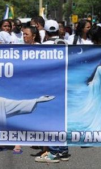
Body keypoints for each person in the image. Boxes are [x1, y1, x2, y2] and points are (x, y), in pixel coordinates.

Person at [35, 19, 69, 163]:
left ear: (46, 32)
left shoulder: (43, 47)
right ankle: (63, 150)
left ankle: (53, 152)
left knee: (50, 120)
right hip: (64, 86)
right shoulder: (66, 45)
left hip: (48, 87)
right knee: (61, 119)